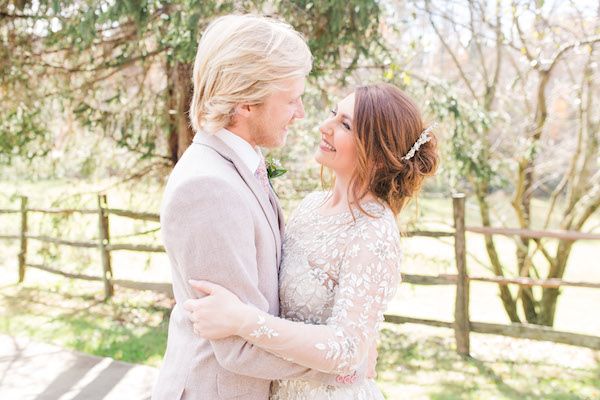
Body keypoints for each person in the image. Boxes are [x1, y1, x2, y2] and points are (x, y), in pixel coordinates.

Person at [152, 14, 364, 400]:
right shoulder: (208, 188)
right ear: (247, 102)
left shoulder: (237, 166)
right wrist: (346, 360)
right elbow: (239, 346)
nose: (301, 113)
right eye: (291, 99)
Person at [183, 83, 439, 399]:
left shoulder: (374, 233)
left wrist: (242, 320)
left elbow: (346, 349)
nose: (324, 127)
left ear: (378, 153)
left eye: (344, 124)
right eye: (334, 114)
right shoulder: (310, 206)